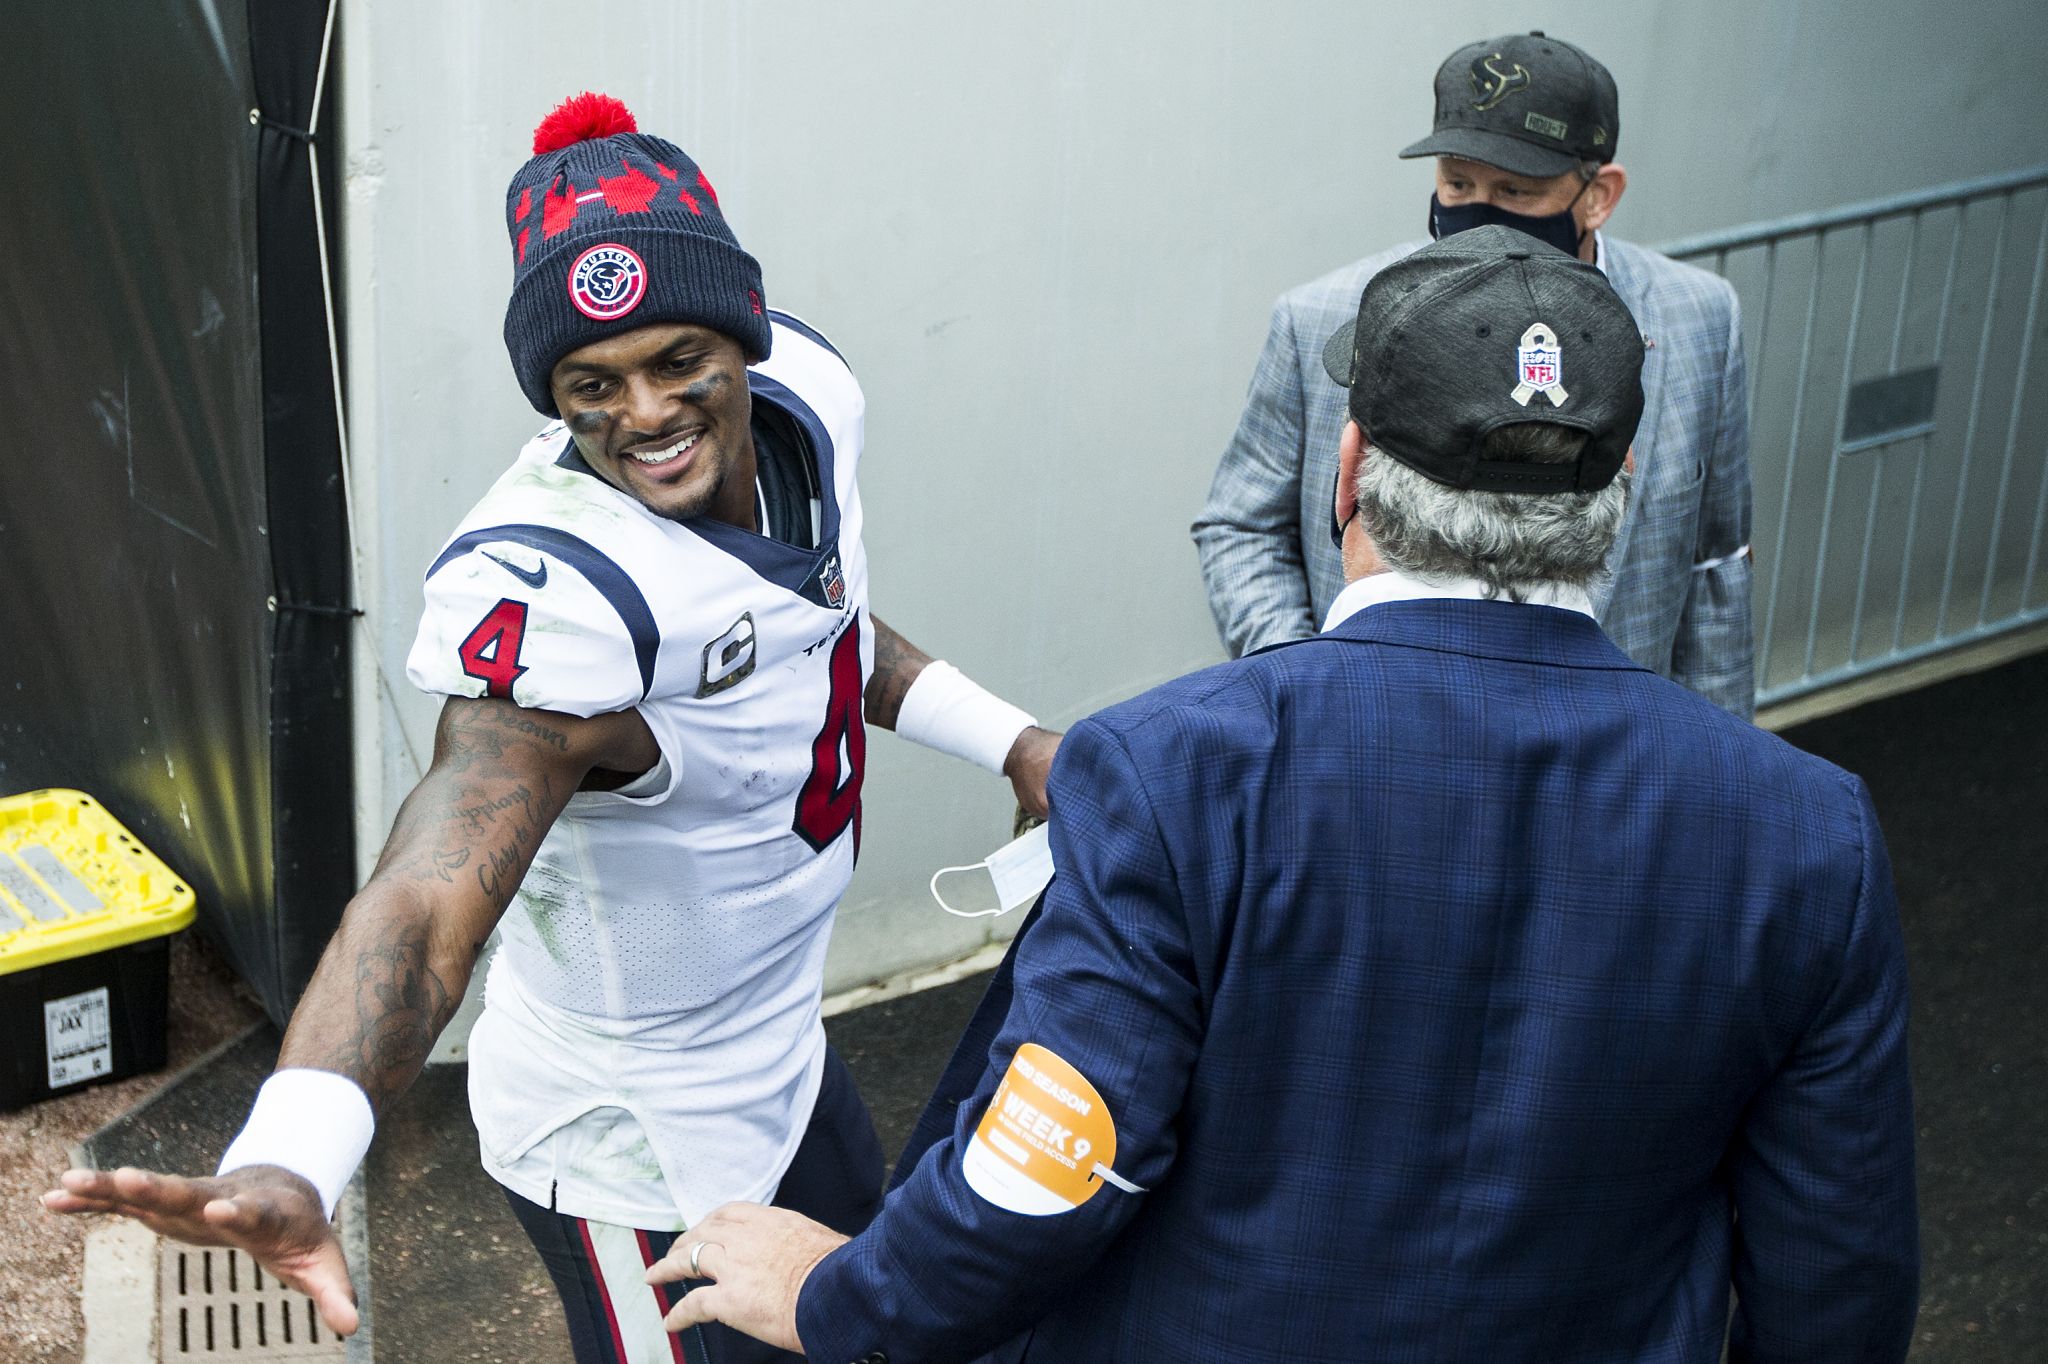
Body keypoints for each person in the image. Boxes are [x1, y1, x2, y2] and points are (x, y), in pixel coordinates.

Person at [650, 228, 1919, 1363]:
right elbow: (1837, 1277)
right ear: (1618, 487)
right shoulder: (1806, 830)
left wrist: (837, 1294)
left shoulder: (1176, 768)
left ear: (1347, 469)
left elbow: (1049, 1172)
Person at [46, 92, 1059, 1364]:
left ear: (746, 340)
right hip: (633, 1141)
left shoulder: (810, 402)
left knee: (881, 1334)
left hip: (780, 1057)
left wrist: (1012, 740)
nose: (644, 412)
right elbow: (426, 897)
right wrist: (295, 1150)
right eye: (592, 383)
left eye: (677, 360)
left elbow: (819, 621)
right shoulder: (562, 600)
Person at [1194, 30, 1756, 718]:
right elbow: (1241, 528)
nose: (1478, 210)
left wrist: (1723, 746)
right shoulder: (1320, 318)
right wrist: (1311, 686)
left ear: (1599, 194)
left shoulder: (1700, 316)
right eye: (1458, 182)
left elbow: (1717, 562)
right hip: (1380, 731)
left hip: (1616, 749)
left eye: (1515, 189)